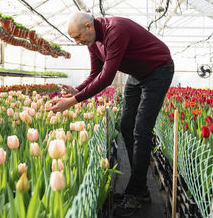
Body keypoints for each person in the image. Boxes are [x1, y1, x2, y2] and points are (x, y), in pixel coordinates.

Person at [47, 12, 174, 217]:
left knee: (142, 131)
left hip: (158, 70)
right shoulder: (92, 41)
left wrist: (72, 102)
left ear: (89, 26)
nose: (78, 42)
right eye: (74, 39)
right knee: (125, 125)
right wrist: (77, 90)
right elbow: (95, 72)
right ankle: (138, 185)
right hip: (137, 74)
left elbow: (106, 78)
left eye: (78, 37)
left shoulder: (115, 30)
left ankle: (137, 191)